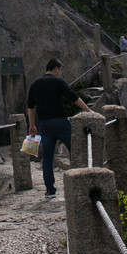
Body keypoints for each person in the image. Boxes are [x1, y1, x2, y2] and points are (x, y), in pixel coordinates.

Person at [27, 58, 92, 197]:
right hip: (60, 121)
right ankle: (79, 183)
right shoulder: (58, 81)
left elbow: (30, 106)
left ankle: (50, 189)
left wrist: (32, 125)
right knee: (75, 150)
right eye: (60, 70)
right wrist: (89, 111)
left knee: (48, 158)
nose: (61, 72)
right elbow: (73, 97)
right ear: (56, 68)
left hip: (45, 124)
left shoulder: (35, 83)